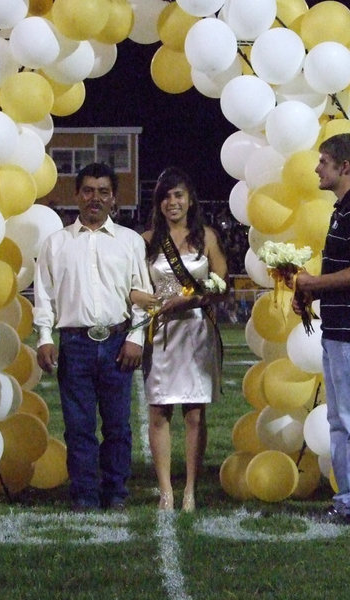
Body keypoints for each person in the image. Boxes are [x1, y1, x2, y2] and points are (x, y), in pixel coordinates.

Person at [34, 162, 152, 512]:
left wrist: (136, 339)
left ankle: (116, 492)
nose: (95, 198)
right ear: (77, 195)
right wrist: (44, 337)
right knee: (79, 427)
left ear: (114, 198)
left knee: (117, 426)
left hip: (119, 342)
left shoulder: (130, 241)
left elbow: (141, 292)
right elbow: (45, 295)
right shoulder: (56, 244)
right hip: (75, 344)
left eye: (103, 192)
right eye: (88, 191)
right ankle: (85, 494)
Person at [290, 133, 350, 527]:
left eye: (323, 161)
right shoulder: (345, 208)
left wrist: (314, 284)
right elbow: (347, 273)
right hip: (342, 330)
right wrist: (312, 295)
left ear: (343, 167)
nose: (317, 168)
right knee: (341, 420)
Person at [130, 167, 227, 512]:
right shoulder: (145, 241)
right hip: (162, 334)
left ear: (190, 200)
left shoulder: (207, 238)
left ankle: (189, 490)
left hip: (197, 332)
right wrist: (154, 303)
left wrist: (194, 298)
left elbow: (221, 283)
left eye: (179, 195)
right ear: (158, 202)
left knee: (195, 414)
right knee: (158, 412)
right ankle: (165, 491)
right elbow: (133, 288)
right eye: (166, 196)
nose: (173, 202)